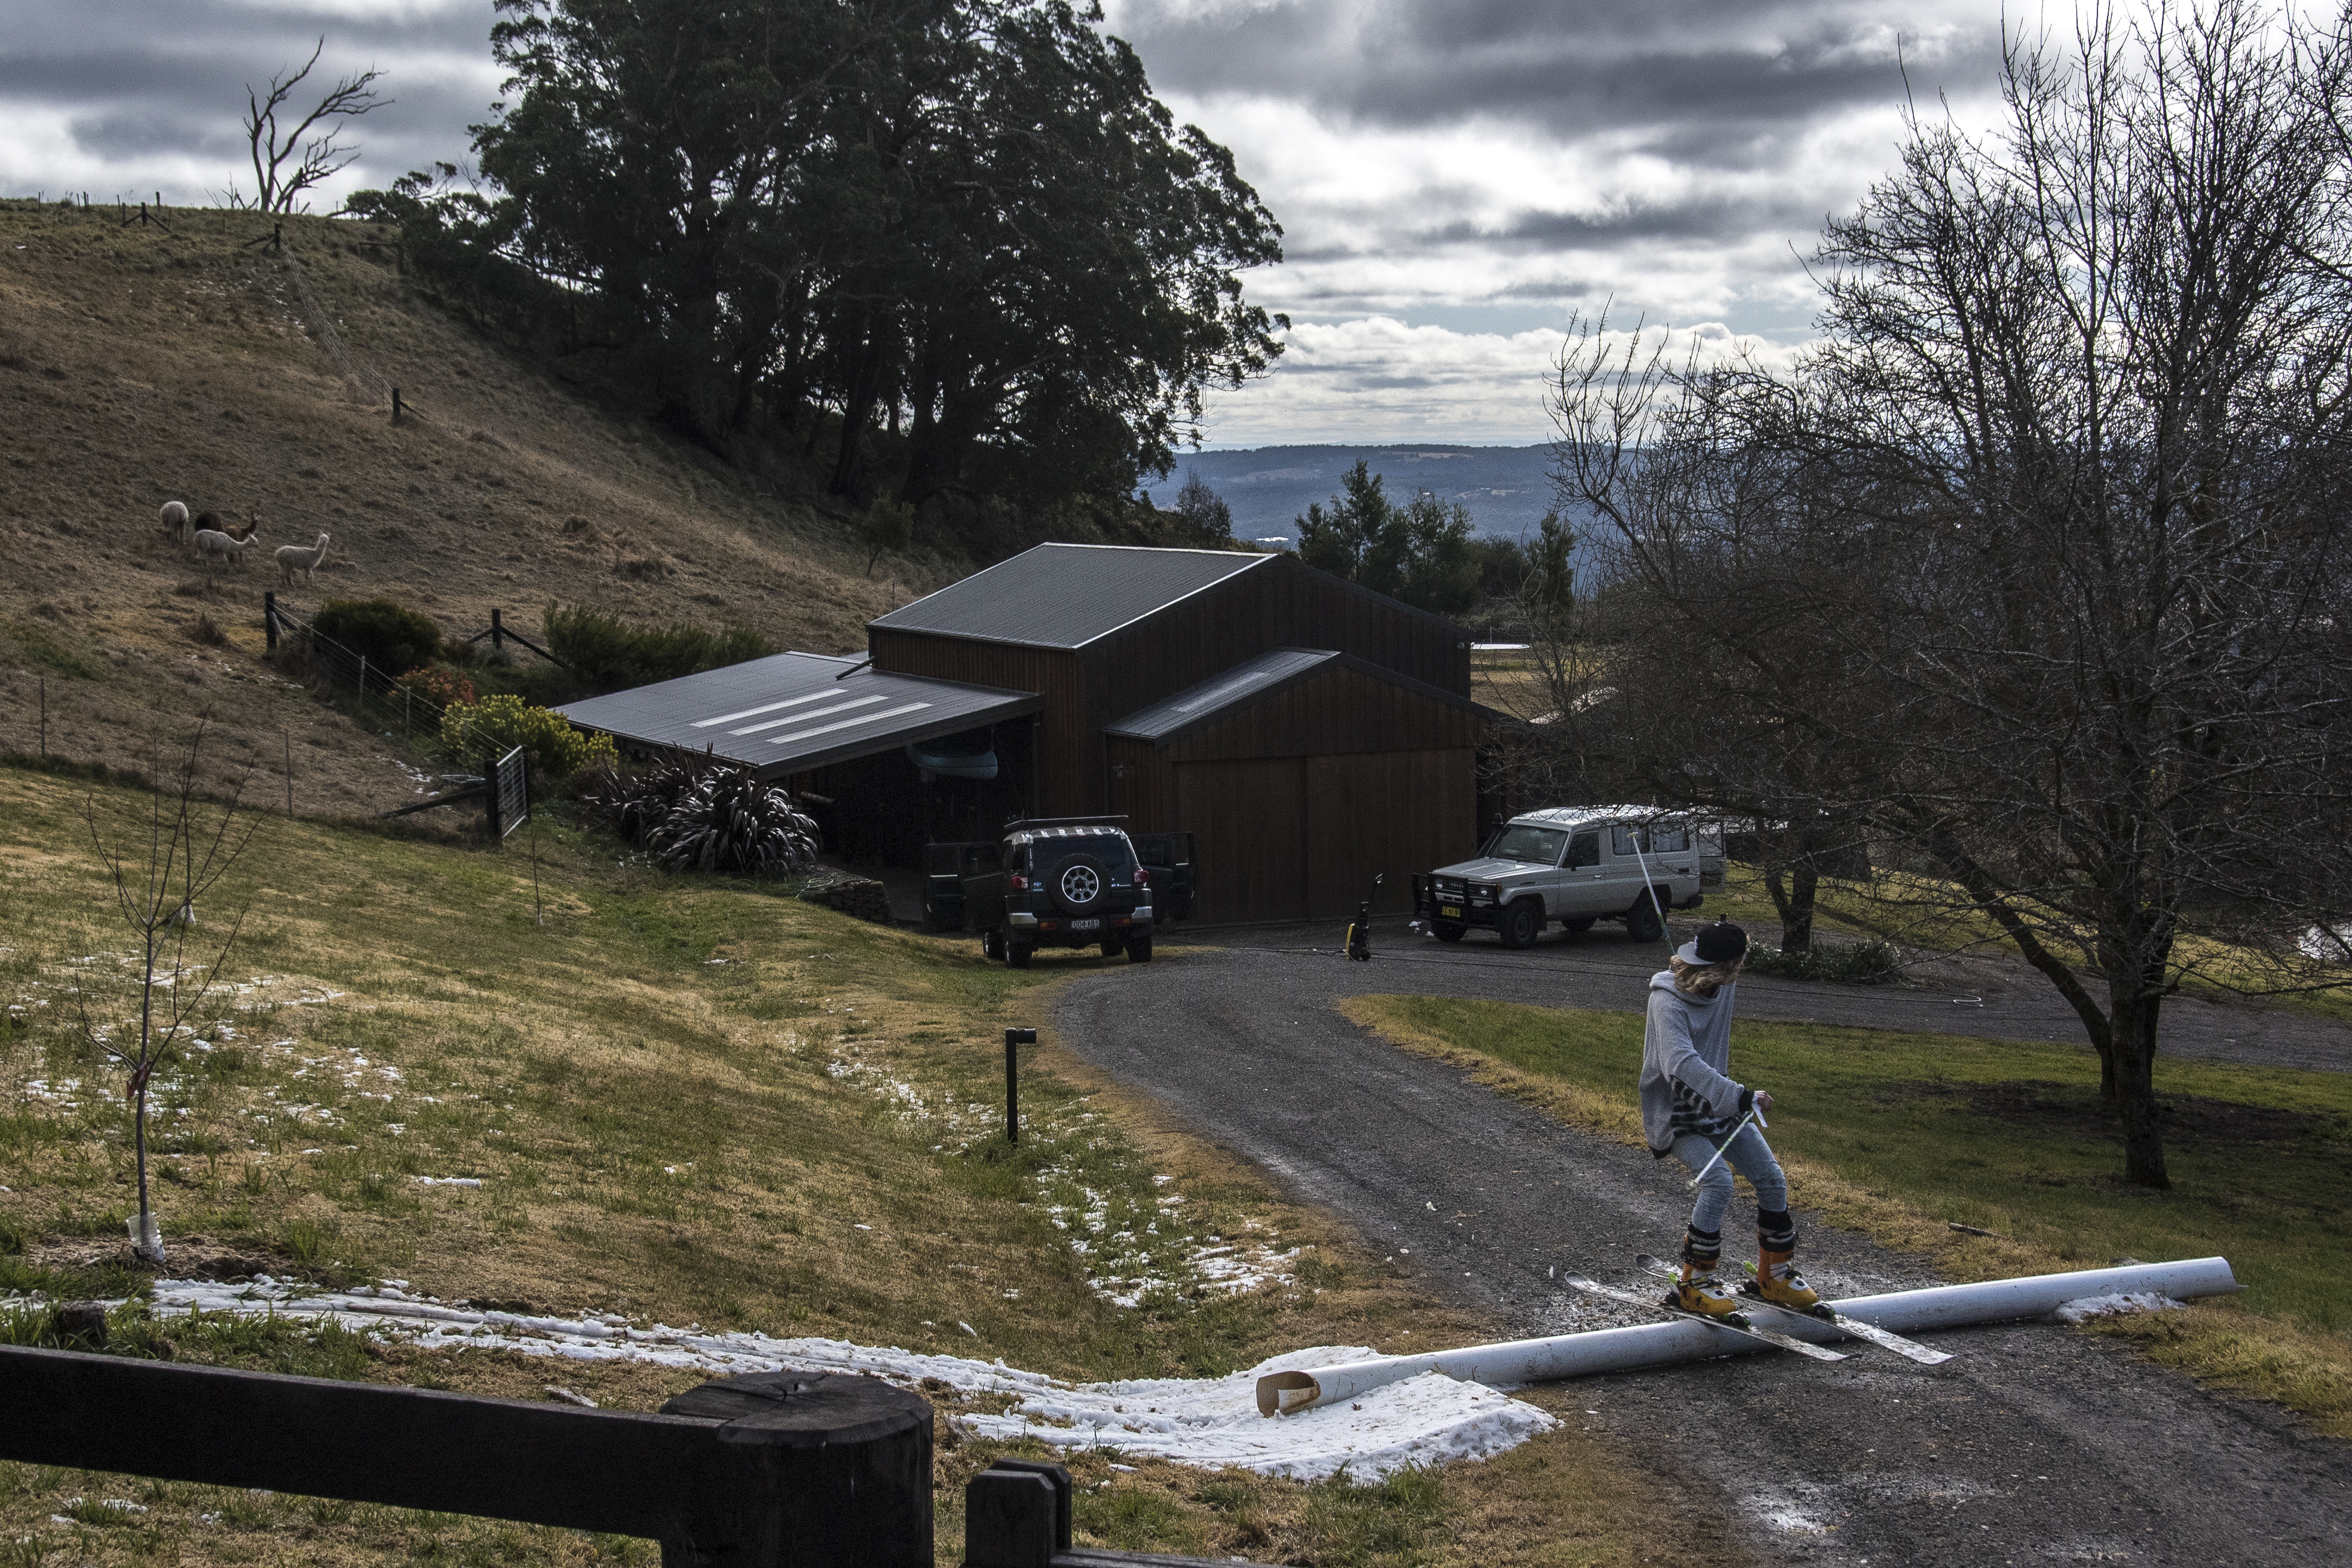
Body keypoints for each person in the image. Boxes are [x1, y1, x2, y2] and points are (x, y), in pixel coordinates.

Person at [1637, 919, 1818, 1317]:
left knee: (1772, 1178)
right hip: (1677, 1112)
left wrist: (1733, 1099)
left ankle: (1775, 1275)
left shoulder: (1725, 986)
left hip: (1719, 1108)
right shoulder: (1664, 1001)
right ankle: (1695, 1281)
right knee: (1718, 1183)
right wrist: (1739, 1095)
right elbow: (1679, 1064)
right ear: (1730, 965)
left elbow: (1707, 1037)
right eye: (1740, 964)